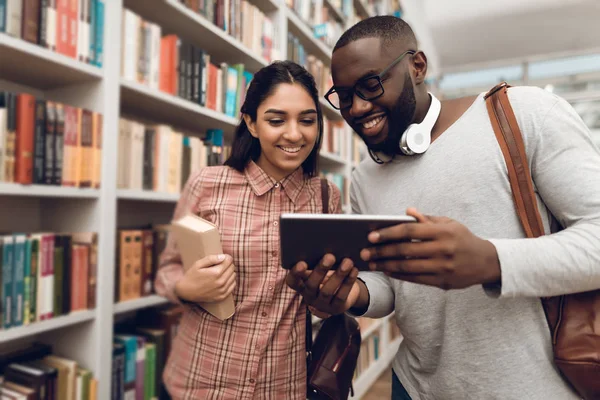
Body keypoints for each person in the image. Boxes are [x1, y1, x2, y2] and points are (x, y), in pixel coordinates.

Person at [285, 15, 600, 400]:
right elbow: (389, 286)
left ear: (417, 66)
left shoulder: (525, 113)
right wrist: (352, 296)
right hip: (414, 387)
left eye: (370, 85)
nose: (357, 108)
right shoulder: (367, 177)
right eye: (345, 96)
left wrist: (491, 260)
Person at [154, 60, 342, 399]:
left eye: (307, 120)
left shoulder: (327, 197)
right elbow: (166, 270)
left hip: (282, 386)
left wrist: (327, 294)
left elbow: (322, 308)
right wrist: (186, 287)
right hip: (198, 382)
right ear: (251, 123)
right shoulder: (207, 183)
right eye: (276, 120)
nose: (294, 134)